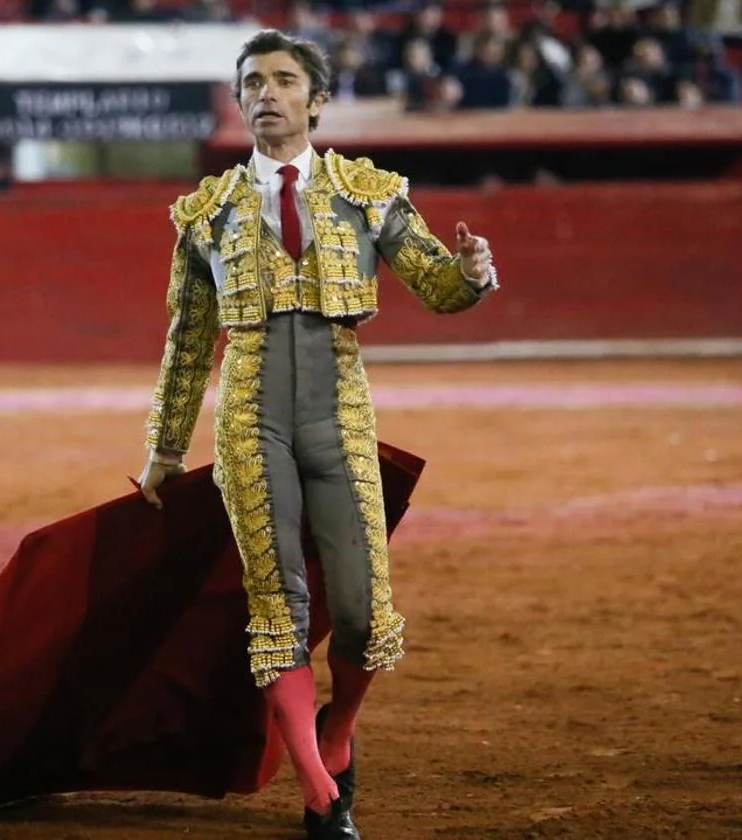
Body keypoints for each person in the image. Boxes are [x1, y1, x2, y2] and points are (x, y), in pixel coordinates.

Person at [137, 28, 499, 840]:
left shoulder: (367, 191)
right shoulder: (207, 214)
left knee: (367, 616)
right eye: (253, 81)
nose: (267, 91)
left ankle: (336, 735)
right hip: (249, 418)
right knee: (280, 611)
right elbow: (188, 341)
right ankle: (319, 793)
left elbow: (438, 286)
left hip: (340, 409)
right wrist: (164, 450)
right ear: (240, 101)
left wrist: (474, 274)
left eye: (284, 79)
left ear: (317, 98)